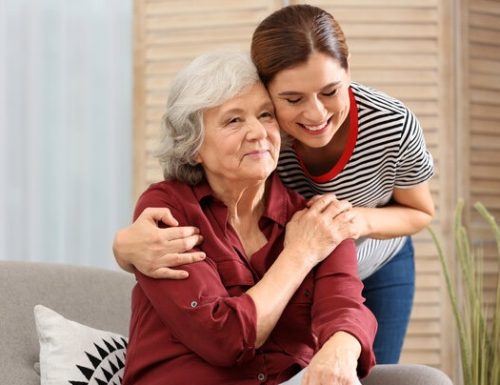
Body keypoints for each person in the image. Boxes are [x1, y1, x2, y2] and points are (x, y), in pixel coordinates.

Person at [114, 4, 436, 364]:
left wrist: (350, 223)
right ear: (269, 90)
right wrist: (122, 247)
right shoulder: (264, 133)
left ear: (349, 72)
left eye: (330, 91)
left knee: (370, 363)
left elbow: (420, 211)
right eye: (293, 99)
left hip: (368, 249)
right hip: (304, 247)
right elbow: (193, 176)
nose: (315, 115)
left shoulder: (389, 124)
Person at [122, 50, 377, 385]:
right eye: (233, 120)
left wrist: (340, 348)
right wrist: (300, 254)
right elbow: (222, 338)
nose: (258, 132)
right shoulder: (168, 209)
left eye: (266, 115)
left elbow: (344, 306)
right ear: (193, 145)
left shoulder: (318, 218)